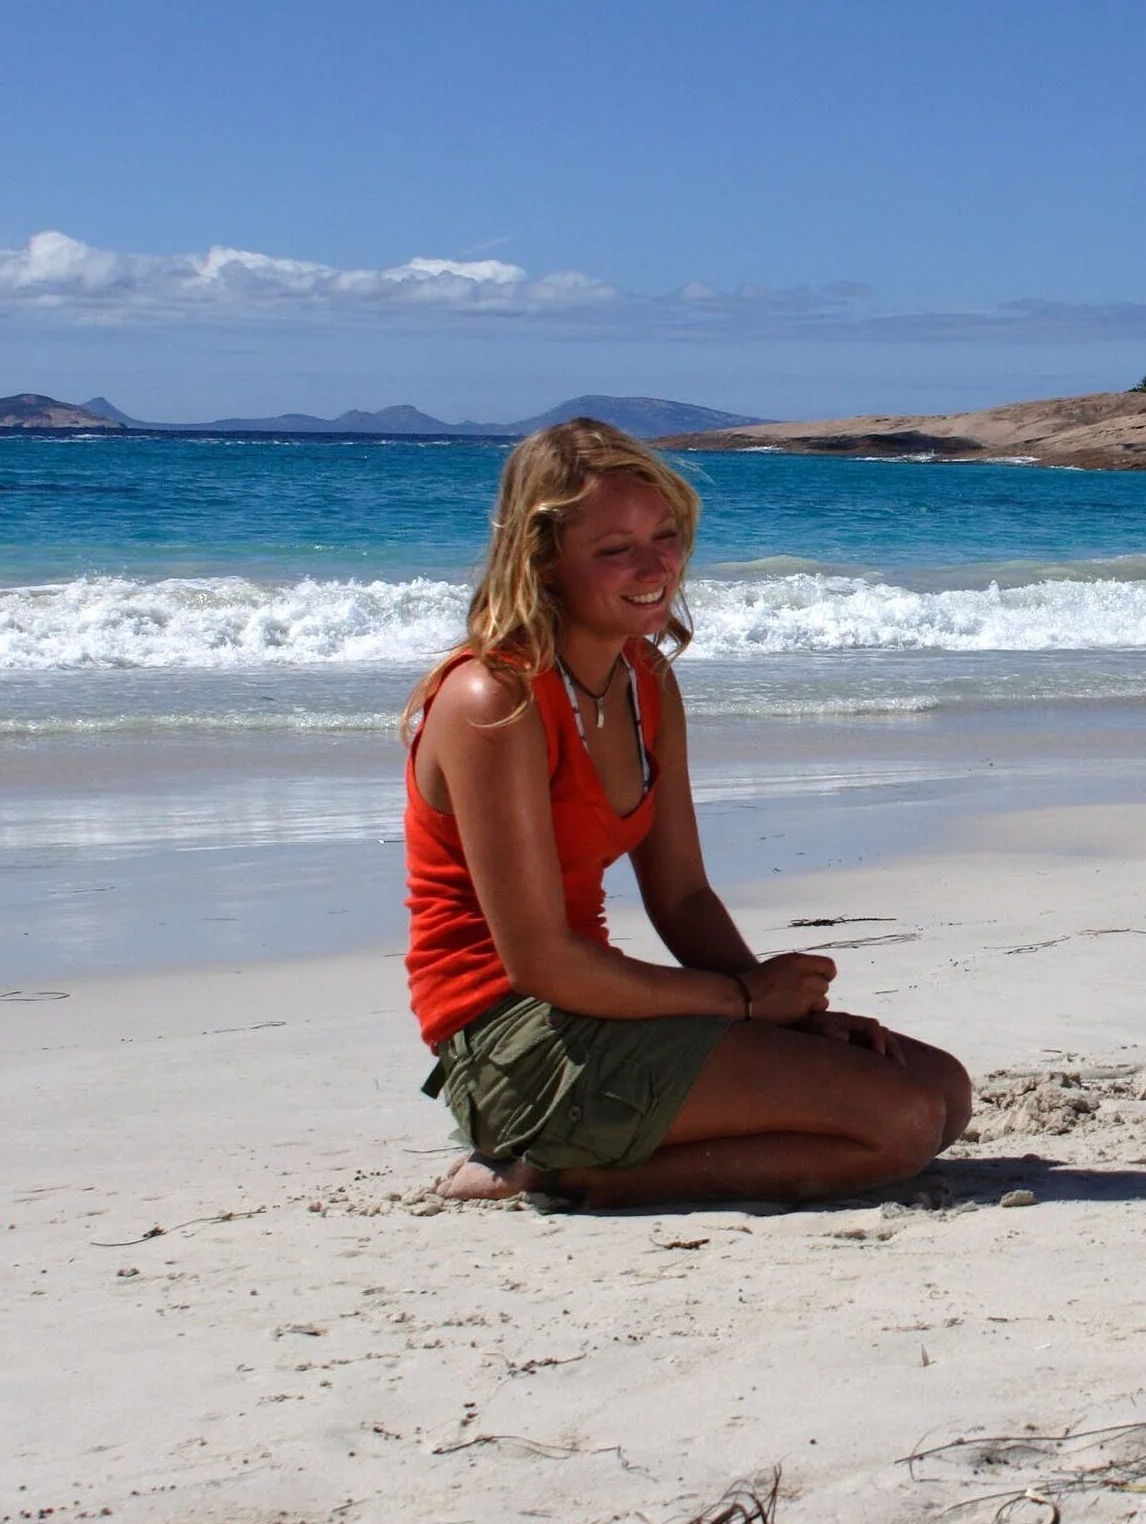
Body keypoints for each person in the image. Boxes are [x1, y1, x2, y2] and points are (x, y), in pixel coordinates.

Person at [403, 419, 970, 1207]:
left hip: (603, 1007)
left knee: (943, 1092)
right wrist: (742, 1003)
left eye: (667, 536)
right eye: (615, 549)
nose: (655, 566)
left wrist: (785, 1017)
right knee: (899, 1126)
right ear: (544, 561)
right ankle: (554, 1167)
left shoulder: (643, 680)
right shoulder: (491, 698)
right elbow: (539, 961)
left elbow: (682, 897)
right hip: (514, 1040)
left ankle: (601, 1147)